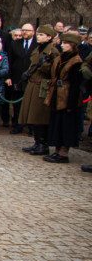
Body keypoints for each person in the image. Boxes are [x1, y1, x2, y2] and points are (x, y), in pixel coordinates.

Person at [43, 32, 84, 163]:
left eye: (66, 43)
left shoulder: (76, 61)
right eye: (62, 42)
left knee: (67, 125)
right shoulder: (59, 59)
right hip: (56, 94)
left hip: (68, 95)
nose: (62, 45)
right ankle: (56, 150)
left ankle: (64, 153)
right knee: (56, 123)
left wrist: (72, 103)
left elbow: (76, 84)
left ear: (73, 45)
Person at [19, 25, 59, 155]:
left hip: (43, 85)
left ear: (49, 37)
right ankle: (37, 142)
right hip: (33, 84)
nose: (38, 36)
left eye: (41, 34)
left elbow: (54, 70)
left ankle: (43, 144)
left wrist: (44, 65)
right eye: (38, 34)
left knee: (41, 116)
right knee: (33, 115)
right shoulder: (38, 49)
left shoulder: (52, 51)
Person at [7, 23, 35, 132]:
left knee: (31, 103)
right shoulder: (15, 43)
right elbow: (10, 60)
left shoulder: (37, 45)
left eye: (27, 30)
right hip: (17, 77)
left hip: (31, 77)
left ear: (33, 32)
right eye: (23, 30)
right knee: (17, 103)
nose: (25, 32)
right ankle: (18, 125)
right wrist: (9, 77)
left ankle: (31, 126)